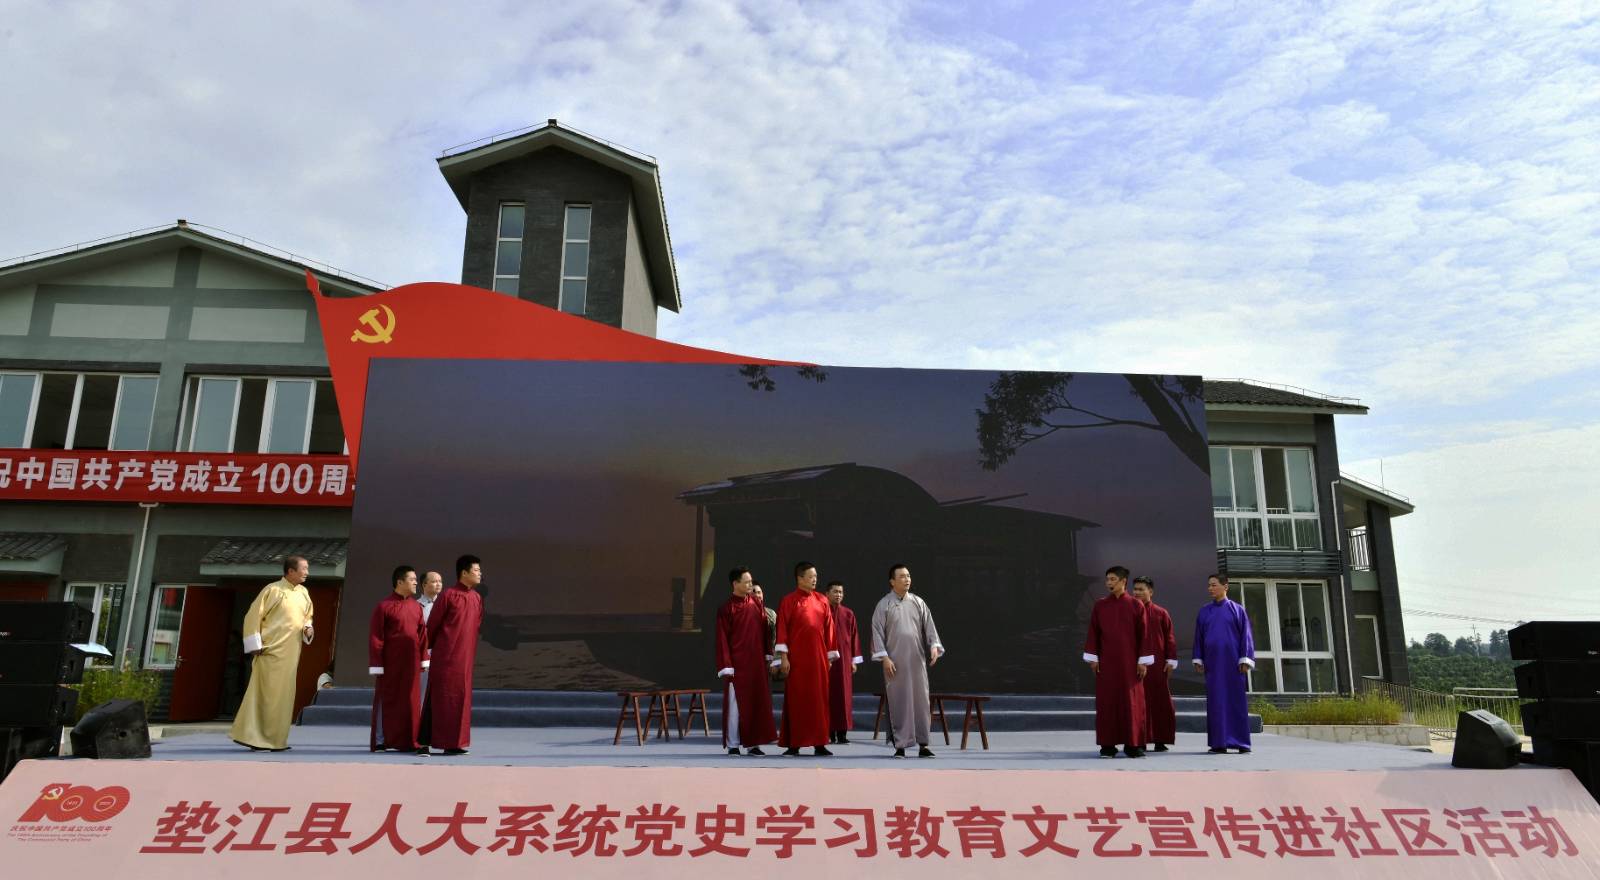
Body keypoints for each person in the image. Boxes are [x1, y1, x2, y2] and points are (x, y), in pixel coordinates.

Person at [230, 555, 315, 751]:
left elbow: (307, 618)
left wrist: (308, 628)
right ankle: (254, 737)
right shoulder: (272, 590)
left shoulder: (304, 593)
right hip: (270, 652)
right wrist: (255, 644)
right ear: (291, 571)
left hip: (291, 653)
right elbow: (253, 616)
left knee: (284, 696)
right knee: (265, 695)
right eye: (304, 568)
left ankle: (277, 740)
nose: (307, 573)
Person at [870, 564, 944, 758]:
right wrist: (885, 658)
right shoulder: (884, 604)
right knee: (899, 701)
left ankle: (923, 745)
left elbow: (929, 627)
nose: (907, 579)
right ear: (892, 581)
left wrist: (934, 646)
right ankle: (900, 746)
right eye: (902, 576)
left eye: (908, 576)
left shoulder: (918, 602)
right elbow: (876, 632)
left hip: (917, 661)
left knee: (921, 701)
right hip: (894, 663)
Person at [1083, 565, 1155, 758]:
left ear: (1123, 581)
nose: (1109, 583)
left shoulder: (1136, 605)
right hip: (1106, 663)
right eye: (1107, 579)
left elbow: (1144, 635)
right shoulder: (1100, 605)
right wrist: (1093, 658)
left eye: (1113, 579)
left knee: (1132, 703)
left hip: (1130, 664)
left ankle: (1133, 745)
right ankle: (1107, 746)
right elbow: (1093, 633)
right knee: (1107, 702)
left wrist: (1143, 661)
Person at [419, 554, 484, 756]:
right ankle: (424, 743)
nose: (480, 573)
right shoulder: (448, 595)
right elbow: (433, 625)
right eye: (476, 570)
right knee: (438, 698)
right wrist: (436, 650)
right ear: (464, 573)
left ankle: (453, 743)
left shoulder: (476, 598)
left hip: (465, 659)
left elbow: (477, 625)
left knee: (459, 701)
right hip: (445, 658)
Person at [774, 561, 838, 756]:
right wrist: (784, 657)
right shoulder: (788, 601)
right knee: (797, 700)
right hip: (797, 660)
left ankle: (820, 743)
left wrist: (829, 657)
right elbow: (782, 630)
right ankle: (794, 744)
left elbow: (829, 630)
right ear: (800, 578)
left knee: (819, 700)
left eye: (816, 576)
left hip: (818, 659)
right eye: (811, 577)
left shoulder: (822, 600)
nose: (814, 580)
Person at [715, 567, 776, 756]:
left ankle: (753, 744)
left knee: (756, 704)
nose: (751, 585)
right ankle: (733, 744)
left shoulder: (756, 604)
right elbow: (722, 639)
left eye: (751, 581)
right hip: (737, 666)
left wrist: (768, 655)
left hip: (756, 664)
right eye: (747, 582)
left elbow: (765, 633)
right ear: (735, 584)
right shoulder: (726, 609)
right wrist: (727, 665)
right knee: (735, 706)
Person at [1193, 573, 1256, 754]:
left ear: (1225, 586)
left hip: (1234, 665)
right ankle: (1218, 743)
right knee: (1216, 703)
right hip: (1212, 665)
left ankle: (1241, 743)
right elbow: (1199, 637)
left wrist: (1245, 659)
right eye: (1209, 585)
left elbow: (1246, 637)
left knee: (1236, 702)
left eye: (1214, 585)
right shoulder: (1204, 611)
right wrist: (1198, 658)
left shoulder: (1237, 610)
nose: (1210, 588)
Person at [369, 565, 429, 753]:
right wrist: (377, 664)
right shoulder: (384, 606)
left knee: (411, 701)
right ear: (400, 582)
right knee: (386, 699)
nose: (416, 583)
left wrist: (424, 659)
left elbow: (422, 635)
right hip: (390, 663)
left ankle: (410, 740)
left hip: (412, 662)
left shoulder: (416, 607)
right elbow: (376, 637)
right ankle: (381, 740)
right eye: (412, 579)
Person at [1132, 575, 1178, 752]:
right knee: (1138, 703)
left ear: (1150, 591)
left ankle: (1161, 739)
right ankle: (1139, 739)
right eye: (1135, 589)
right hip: (1135, 666)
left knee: (1161, 702)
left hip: (1158, 666)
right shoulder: (1129, 612)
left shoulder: (1161, 613)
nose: (1137, 592)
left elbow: (1170, 638)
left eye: (1141, 589)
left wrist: (1170, 660)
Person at [825, 581, 862, 744]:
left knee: (844, 697)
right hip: (826, 661)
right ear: (827, 594)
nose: (838, 595)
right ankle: (828, 732)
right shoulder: (822, 612)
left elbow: (854, 637)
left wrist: (854, 660)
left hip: (844, 662)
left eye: (840, 592)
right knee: (828, 696)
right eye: (835, 591)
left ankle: (842, 733)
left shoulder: (848, 613)